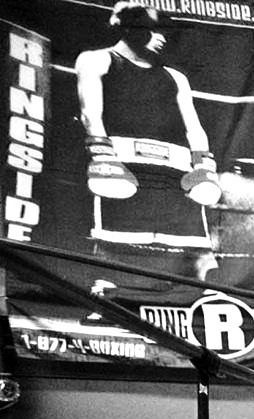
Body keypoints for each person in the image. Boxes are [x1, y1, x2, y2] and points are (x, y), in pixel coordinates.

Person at [74, 2, 220, 284]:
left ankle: (205, 297)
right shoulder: (97, 60)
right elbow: (89, 113)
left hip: (175, 168)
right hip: (124, 160)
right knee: (113, 236)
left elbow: (195, 128)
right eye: (153, 30)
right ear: (129, 28)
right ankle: (104, 295)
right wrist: (103, 155)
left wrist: (203, 164)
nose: (161, 38)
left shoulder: (176, 77)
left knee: (195, 243)